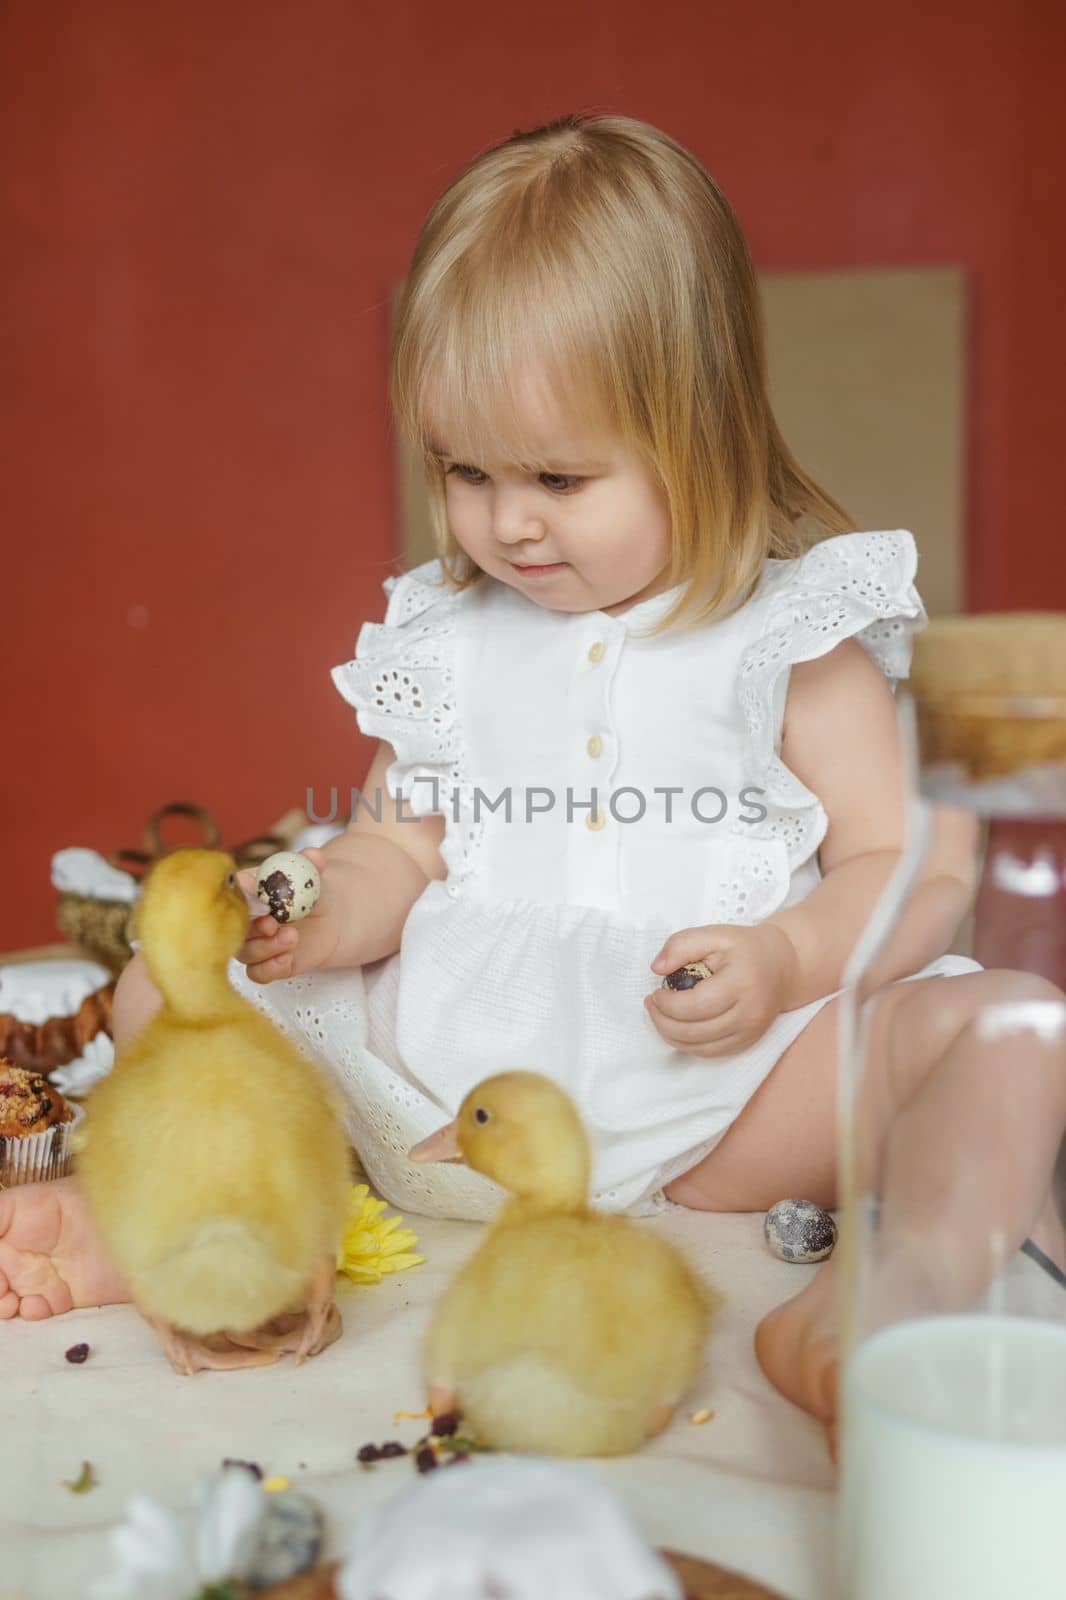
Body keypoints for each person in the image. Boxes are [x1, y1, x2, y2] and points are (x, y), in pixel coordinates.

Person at [3, 115, 1064, 1453]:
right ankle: (197, 1231)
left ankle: (891, 1299)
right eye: (463, 473)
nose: (507, 522)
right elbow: (396, 851)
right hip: (447, 1093)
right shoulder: (451, 640)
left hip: (722, 1100)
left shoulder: (791, 640)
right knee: (176, 985)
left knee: (1006, 1025)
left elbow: (913, 869)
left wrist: (787, 954)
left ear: (702, 432)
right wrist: (323, 914)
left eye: (559, 477)